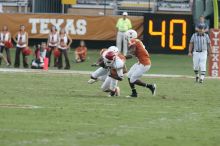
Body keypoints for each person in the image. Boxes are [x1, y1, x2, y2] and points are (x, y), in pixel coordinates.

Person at [125, 29, 156, 98]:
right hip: (140, 62)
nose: (126, 38)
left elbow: (131, 55)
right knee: (129, 75)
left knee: (132, 79)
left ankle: (150, 86)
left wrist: (122, 57)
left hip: (144, 64)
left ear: (130, 36)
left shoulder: (133, 41)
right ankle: (134, 93)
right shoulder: (137, 41)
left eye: (126, 36)